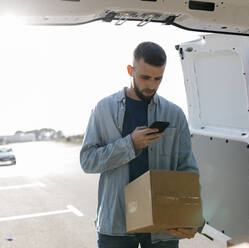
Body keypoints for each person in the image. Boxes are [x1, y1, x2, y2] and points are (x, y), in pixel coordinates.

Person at [80, 41, 202, 248]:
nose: (152, 85)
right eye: (145, 77)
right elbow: (88, 161)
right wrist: (130, 144)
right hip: (117, 224)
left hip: (162, 224)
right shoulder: (103, 108)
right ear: (130, 70)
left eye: (158, 78)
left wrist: (194, 219)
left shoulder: (175, 114)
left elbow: (187, 170)